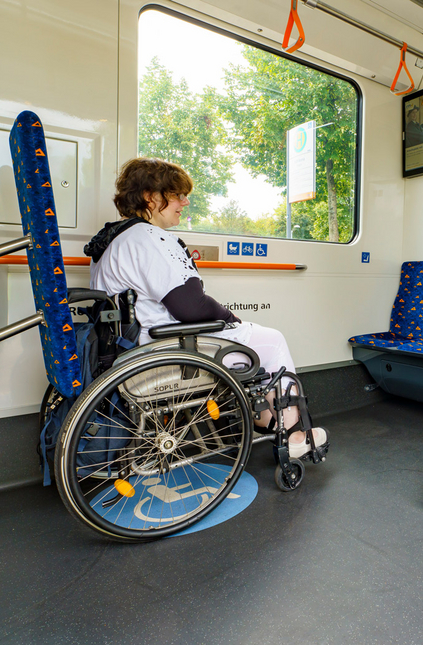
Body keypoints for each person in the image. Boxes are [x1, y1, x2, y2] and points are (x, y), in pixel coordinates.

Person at [85, 157, 329, 459]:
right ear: (151, 197)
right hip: (161, 350)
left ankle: (266, 417)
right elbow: (191, 306)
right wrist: (230, 318)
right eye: (177, 195)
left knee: (248, 340)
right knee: (271, 339)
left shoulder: (113, 239)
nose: (184, 202)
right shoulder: (148, 238)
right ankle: (293, 433)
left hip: (128, 348)